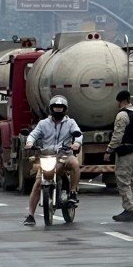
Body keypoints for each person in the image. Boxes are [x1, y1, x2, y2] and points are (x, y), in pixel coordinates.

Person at [22, 96, 83, 226]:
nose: (58, 111)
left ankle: (72, 192)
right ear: (51, 109)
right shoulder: (43, 123)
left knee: (75, 164)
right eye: (56, 108)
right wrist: (29, 142)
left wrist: (77, 143)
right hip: (47, 156)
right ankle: (30, 215)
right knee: (38, 184)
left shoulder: (70, 122)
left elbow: (78, 133)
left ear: (65, 110)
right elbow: (33, 134)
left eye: (60, 108)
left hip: (64, 155)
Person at [109, 88, 133, 224]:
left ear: (121, 101)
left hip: (125, 153)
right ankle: (131, 207)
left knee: (123, 181)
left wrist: (109, 150)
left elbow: (117, 136)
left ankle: (129, 210)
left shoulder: (122, 115)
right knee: (131, 181)